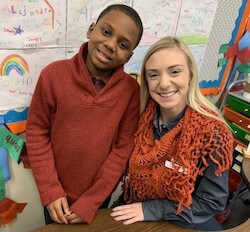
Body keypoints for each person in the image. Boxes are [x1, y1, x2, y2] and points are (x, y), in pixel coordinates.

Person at [26, 4, 143, 225]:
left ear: (129, 56)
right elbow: (36, 132)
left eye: (123, 44)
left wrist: (91, 201)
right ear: (91, 30)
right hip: (55, 197)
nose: (110, 44)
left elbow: (122, 149)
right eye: (106, 32)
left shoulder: (131, 92)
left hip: (98, 199)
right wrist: (51, 190)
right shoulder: (52, 75)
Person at [110, 36, 233, 231]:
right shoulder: (139, 117)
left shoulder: (213, 133)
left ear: (190, 74)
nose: (164, 84)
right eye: (153, 75)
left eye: (175, 71)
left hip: (184, 220)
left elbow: (212, 203)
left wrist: (154, 209)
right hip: (135, 209)